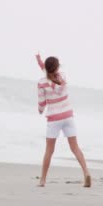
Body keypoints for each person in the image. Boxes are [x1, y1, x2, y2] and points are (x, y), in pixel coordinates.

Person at [36, 54, 91, 188]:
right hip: (67, 116)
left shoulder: (42, 83)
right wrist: (40, 62)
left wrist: (40, 110)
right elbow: (49, 72)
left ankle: (42, 180)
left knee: (49, 150)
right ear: (57, 68)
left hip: (54, 119)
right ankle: (86, 173)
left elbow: (42, 102)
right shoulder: (63, 77)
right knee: (75, 148)